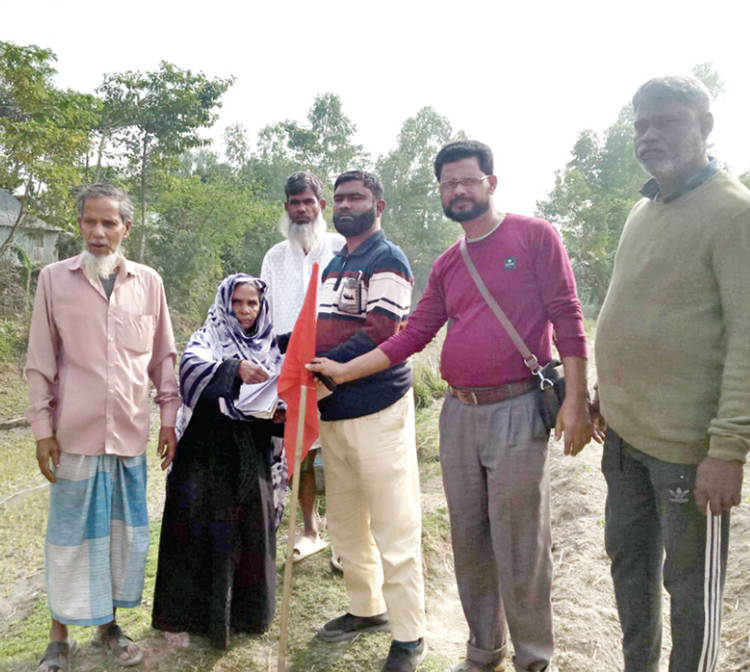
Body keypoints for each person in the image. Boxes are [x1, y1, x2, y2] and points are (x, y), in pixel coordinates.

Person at [308, 143, 593, 672]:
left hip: (517, 407)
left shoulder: (534, 236)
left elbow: (568, 315)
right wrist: (344, 370)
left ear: (491, 182)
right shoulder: (448, 263)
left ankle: (534, 659)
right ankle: (483, 653)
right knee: (470, 539)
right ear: (439, 191)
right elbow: (413, 334)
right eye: (448, 183)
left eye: (468, 180)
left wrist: (575, 398)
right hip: (458, 414)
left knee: (520, 542)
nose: (458, 190)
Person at [592, 76, 750, 672]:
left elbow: (748, 340)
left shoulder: (735, 214)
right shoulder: (642, 208)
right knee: (630, 573)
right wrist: (610, 389)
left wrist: (727, 450)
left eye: (667, 121)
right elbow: (636, 307)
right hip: (627, 443)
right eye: (640, 124)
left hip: (689, 451)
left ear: (705, 128)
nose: (649, 135)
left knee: (691, 594)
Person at [25, 183, 181, 671]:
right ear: (79, 226)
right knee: (69, 537)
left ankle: (108, 627)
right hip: (74, 435)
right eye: (90, 222)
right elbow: (39, 362)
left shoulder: (149, 282)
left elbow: (164, 359)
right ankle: (58, 636)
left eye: (108, 223)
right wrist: (42, 430)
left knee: (120, 536)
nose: (98, 232)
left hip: (130, 435)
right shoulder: (54, 279)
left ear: (126, 228)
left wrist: (169, 421)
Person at [312, 170, 426, 672]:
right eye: (338, 198)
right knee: (344, 522)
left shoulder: (387, 259)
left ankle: (410, 636)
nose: (344, 204)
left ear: (378, 206)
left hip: (376, 408)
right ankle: (366, 609)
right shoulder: (336, 260)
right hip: (332, 411)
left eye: (355, 197)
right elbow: (316, 335)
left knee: (392, 523)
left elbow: (382, 332)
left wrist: (324, 372)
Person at [151, 274, 286, 649]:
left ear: (262, 307)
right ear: (225, 304)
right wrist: (234, 368)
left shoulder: (270, 345)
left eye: (252, 303)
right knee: (197, 532)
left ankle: (246, 616)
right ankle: (186, 617)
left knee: (249, 533)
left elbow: (279, 395)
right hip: (206, 454)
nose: (244, 311)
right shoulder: (207, 336)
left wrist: (279, 415)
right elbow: (191, 369)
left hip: (251, 454)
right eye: (237, 303)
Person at [261, 171, 344, 564]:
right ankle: (309, 531)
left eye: (308, 201)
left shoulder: (340, 247)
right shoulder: (274, 256)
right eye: (294, 202)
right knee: (301, 451)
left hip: (338, 360)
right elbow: (263, 315)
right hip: (289, 361)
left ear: (321, 205)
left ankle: (347, 540)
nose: (301, 209)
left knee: (345, 450)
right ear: (286, 207)